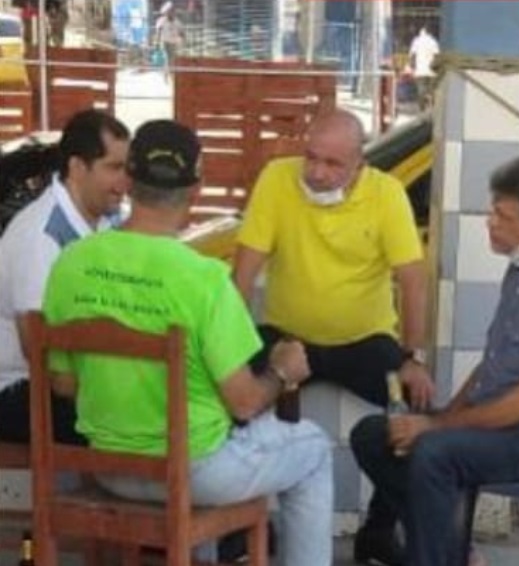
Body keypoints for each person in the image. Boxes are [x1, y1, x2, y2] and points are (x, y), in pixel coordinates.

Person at [42, 120, 334, 566]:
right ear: (196, 189)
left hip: (108, 466)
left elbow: (63, 384)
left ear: (129, 180)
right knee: (313, 448)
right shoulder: (205, 279)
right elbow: (244, 403)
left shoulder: (71, 263)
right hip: (196, 473)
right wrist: (282, 371)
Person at [350, 153, 519, 566]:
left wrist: (436, 426)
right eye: (492, 211)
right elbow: (494, 364)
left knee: (433, 452)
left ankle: (437, 555)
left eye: (502, 216)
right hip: (507, 422)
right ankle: (448, 552)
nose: (490, 222)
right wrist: (444, 415)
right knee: (373, 435)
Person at [233, 109, 435, 566]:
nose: (317, 172)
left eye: (332, 163)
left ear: (359, 164)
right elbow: (243, 272)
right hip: (288, 340)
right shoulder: (276, 178)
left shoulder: (386, 193)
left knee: (417, 409)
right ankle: (242, 531)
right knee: (222, 396)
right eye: (311, 157)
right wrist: (232, 350)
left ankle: (379, 532)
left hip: (364, 340)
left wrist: (413, 357)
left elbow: (413, 280)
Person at [0, 109, 130, 445]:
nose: (125, 183)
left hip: (74, 378)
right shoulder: (39, 236)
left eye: (127, 168)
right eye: (114, 168)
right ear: (77, 167)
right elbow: (37, 349)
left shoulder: (111, 220)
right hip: (20, 389)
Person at [408, 26, 440, 112]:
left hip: (420, 70)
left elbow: (413, 56)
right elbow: (437, 56)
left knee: (421, 89)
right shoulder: (433, 41)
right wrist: (435, 66)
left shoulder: (416, 41)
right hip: (431, 71)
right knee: (431, 89)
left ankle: (422, 108)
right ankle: (432, 107)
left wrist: (412, 67)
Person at [154, 1, 184, 80]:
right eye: (169, 11)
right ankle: (168, 75)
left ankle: (168, 74)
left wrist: (181, 40)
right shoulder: (162, 21)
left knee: (172, 59)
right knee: (167, 58)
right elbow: (158, 31)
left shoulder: (177, 22)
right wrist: (157, 42)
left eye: (172, 11)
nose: (171, 13)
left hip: (173, 42)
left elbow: (181, 33)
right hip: (165, 42)